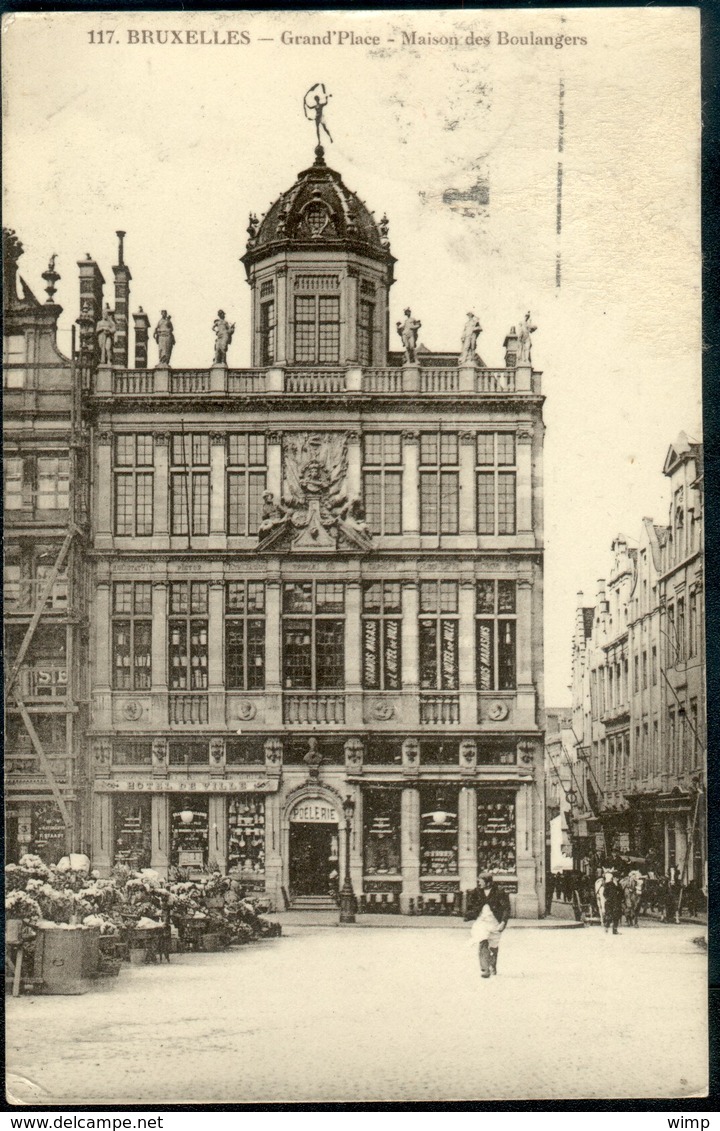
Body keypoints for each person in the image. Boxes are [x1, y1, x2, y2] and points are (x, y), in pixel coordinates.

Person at [465, 872, 511, 978]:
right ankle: (485, 969)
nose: (478, 883)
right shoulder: (476, 892)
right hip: (481, 922)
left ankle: (492, 965)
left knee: (493, 946)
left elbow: (506, 908)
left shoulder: (499, 892)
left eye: (480, 881)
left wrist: (503, 922)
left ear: (488, 882)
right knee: (483, 940)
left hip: (495, 922)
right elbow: (470, 905)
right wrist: (470, 914)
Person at [602, 870, 623, 935]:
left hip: (617, 903)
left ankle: (615, 930)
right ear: (613, 878)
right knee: (609, 916)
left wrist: (621, 899)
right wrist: (608, 898)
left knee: (616, 916)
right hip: (609, 903)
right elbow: (604, 893)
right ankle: (606, 926)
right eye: (616, 878)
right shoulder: (608, 884)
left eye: (618, 878)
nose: (617, 879)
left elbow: (622, 893)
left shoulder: (619, 885)